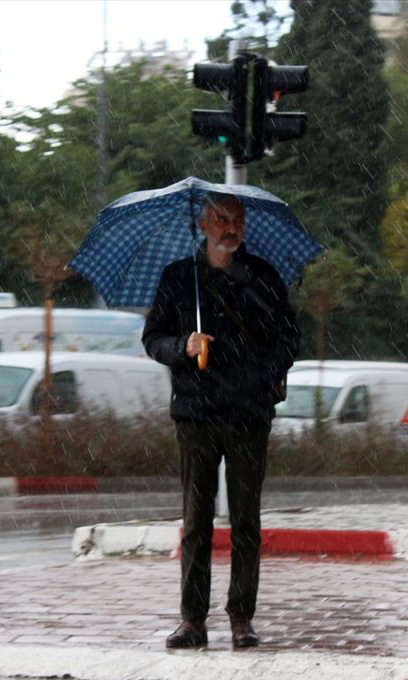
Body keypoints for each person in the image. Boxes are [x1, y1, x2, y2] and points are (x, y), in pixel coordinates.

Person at [143, 192, 300, 649]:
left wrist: (260, 375)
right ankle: (192, 620)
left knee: (246, 519)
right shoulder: (178, 279)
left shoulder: (264, 278)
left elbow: (289, 338)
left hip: (249, 413)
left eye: (237, 220)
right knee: (197, 519)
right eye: (221, 219)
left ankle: (241, 617)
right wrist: (183, 348)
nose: (230, 228)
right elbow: (153, 338)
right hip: (196, 413)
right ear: (203, 224)